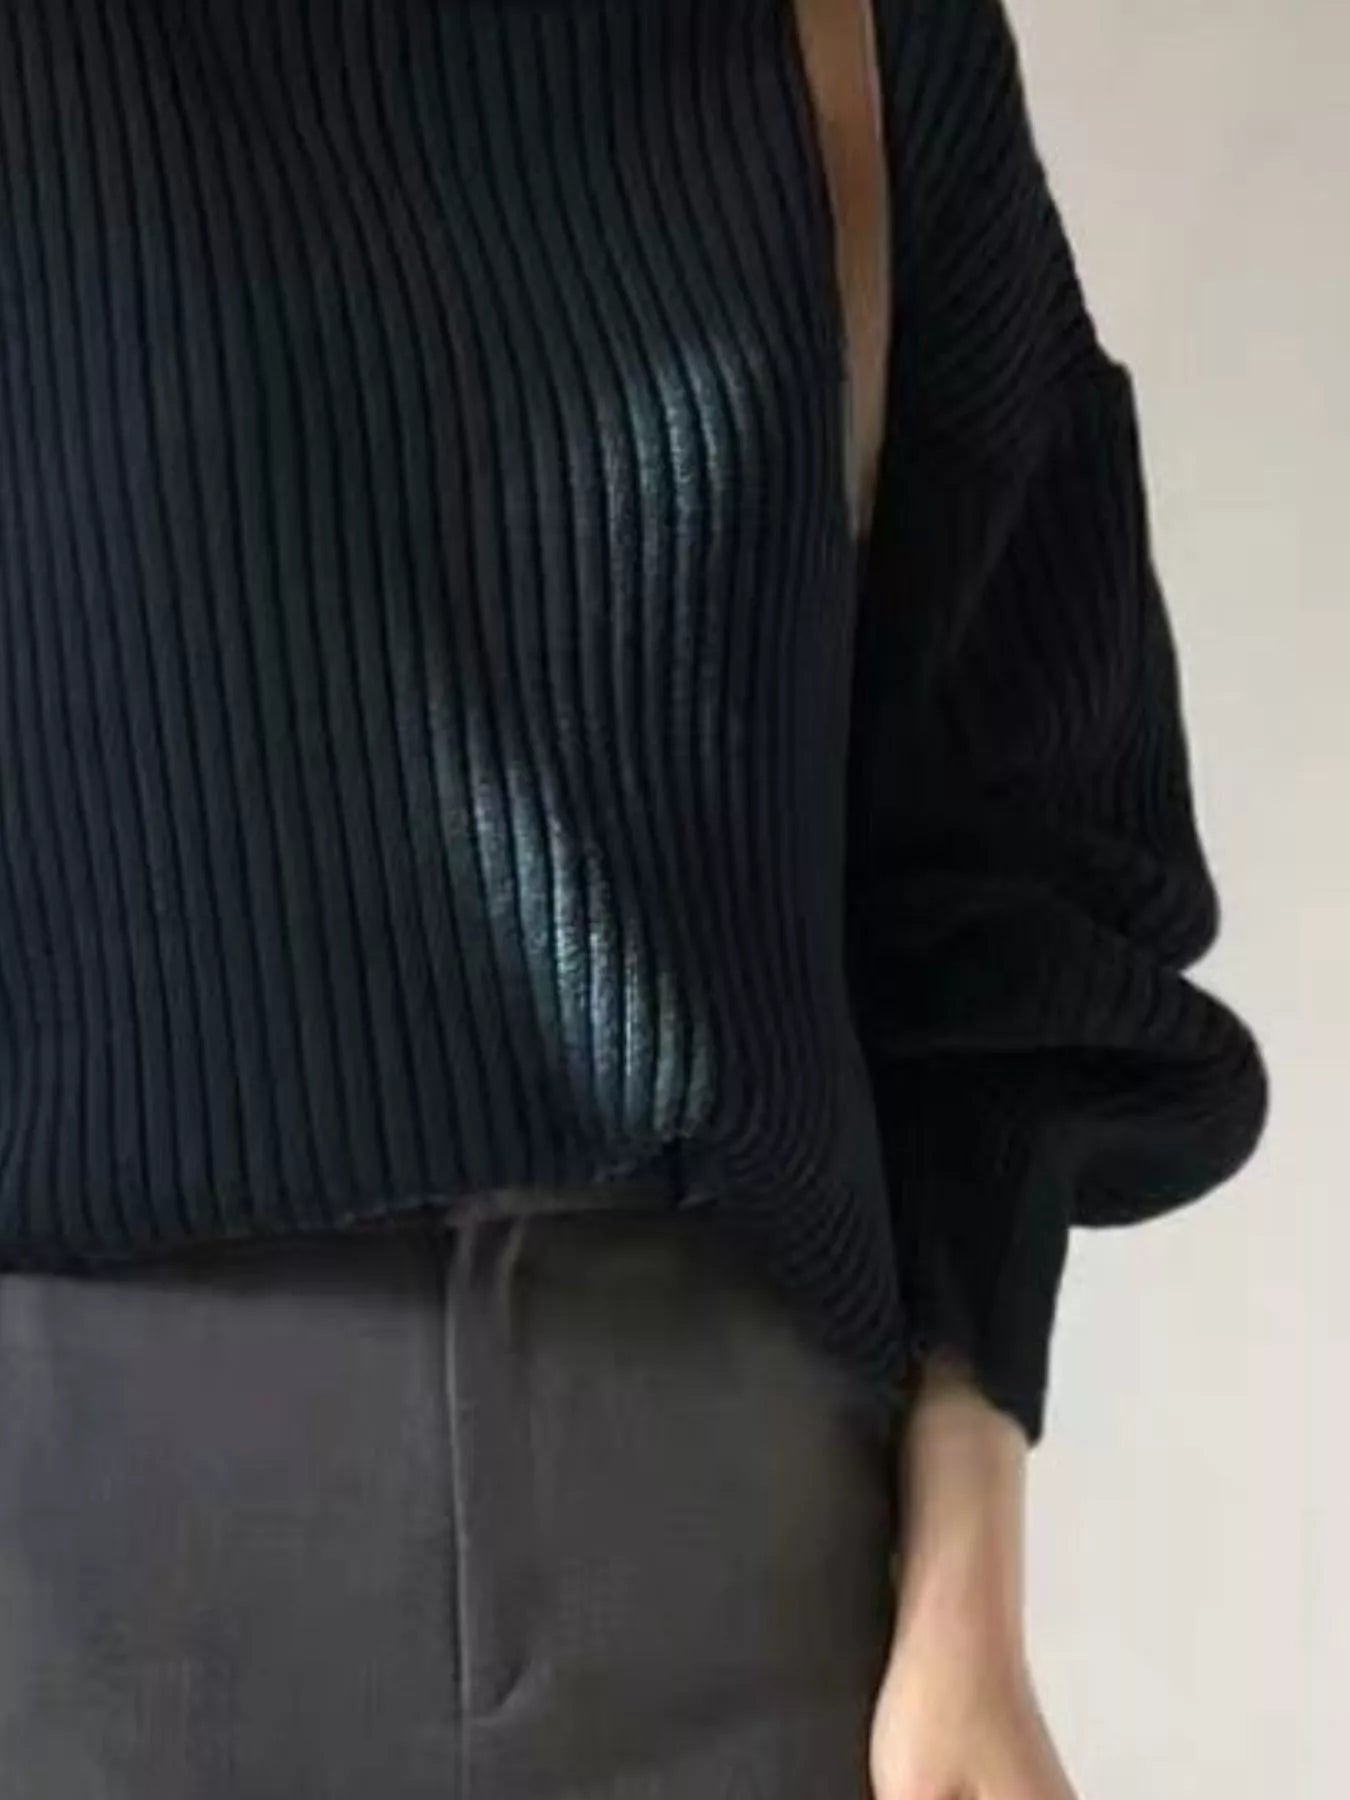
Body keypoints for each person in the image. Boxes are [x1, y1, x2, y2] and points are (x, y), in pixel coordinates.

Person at [0, 0, 1267, 1795]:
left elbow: (1009, 870)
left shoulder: (851, 32)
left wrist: (963, 1606)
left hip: (724, 1550)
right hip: (68, 1554)